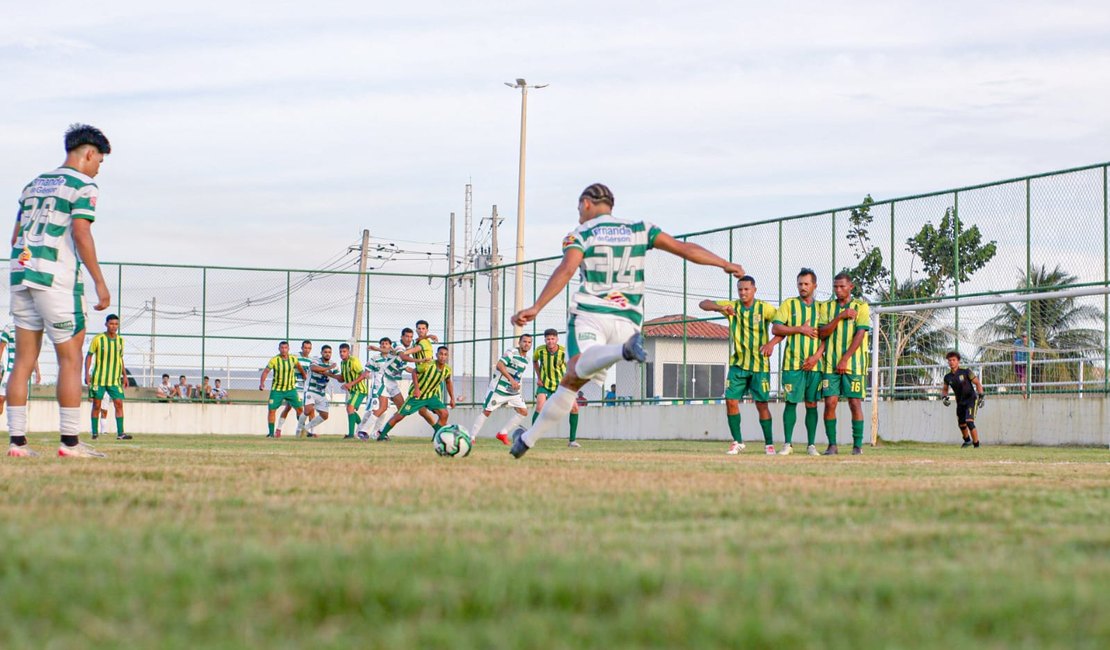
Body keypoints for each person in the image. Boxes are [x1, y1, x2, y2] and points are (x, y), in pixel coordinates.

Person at [508, 182, 743, 458]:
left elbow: (567, 268)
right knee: (571, 382)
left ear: (586, 204)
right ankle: (525, 441)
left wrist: (537, 306)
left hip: (591, 314)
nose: (578, 215)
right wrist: (724, 263)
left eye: (578, 209)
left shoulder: (581, 233)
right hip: (628, 321)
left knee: (575, 367)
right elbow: (684, 248)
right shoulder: (639, 229)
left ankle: (623, 351)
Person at [7, 124, 113, 458]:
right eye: (100, 161)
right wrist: (99, 281)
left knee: (23, 360)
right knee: (70, 357)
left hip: (21, 272)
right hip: (55, 279)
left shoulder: (33, 184)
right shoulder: (83, 184)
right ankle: (69, 442)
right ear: (89, 153)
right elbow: (81, 233)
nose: (98, 168)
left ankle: (17, 443)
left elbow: (15, 235)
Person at [699, 275, 778, 455]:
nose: (743, 292)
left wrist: (771, 344)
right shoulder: (732, 306)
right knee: (730, 400)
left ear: (754, 290)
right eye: (740, 289)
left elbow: (781, 325)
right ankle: (737, 441)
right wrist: (720, 308)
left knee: (762, 404)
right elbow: (703, 304)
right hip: (738, 365)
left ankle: (769, 444)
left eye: (746, 289)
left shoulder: (764, 308)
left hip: (760, 366)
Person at [768, 268, 825, 456]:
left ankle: (811, 445)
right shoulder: (789, 304)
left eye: (806, 284)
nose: (803, 287)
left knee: (812, 404)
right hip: (792, 364)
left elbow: (827, 336)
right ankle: (787, 444)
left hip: (815, 364)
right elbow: (776, 328)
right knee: (790, 402)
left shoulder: (822, 308)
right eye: (800, 284)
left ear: (814, 286)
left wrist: (816, 356)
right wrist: (799, 329)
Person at [817, 273, 871, 455]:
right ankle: (832, 444)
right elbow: (822, 332)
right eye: (835, 287)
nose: (838, 290)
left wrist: (845, 358)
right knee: (830, 403)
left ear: (851, 287)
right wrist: (840, 316)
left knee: (854, 403)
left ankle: (857, 446)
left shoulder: (862, 307)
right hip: (830, 365)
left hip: (853, 365)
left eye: (842, 286)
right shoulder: (826, 307)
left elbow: (861, 333)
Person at [377, 345, 455, 439]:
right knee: (399, 416)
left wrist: (452, 398)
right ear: (437, 355)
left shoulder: (447, 369)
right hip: (417, 397)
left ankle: (437, 438)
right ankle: (381, 435)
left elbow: (448, 382)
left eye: (445, 355)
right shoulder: (428, 365)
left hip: (431, 396)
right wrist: (417, 389)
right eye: (441, 354)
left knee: (444, 414)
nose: (443, 356)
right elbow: (414, 372)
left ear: (447, 357)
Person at [471, 333, 533, 445]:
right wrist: (511, 380)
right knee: (487, 411)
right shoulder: (511, 352)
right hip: (498, 388)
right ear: (519, 342)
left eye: (529, 342)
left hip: (512, 391)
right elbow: (500, 365)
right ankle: (471, 437)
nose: (526, 344)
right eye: (524, 341)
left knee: (523, 412)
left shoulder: (527, 359)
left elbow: (517, 374)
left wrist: (517, 383)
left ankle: (503, 433)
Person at [84, 313, 130, 440]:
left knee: (119, 404)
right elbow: (89, 356)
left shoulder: (120, 340)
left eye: (116, 324)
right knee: (97, 406)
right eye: (111, 323)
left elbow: (120, 359)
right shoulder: (98, 339)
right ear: (106, 324)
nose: (114, 326)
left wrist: (125, 376)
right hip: (99, 379)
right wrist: (87, 373)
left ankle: (121, 433)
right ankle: (94, 433)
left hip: (114, 380)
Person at [533, 328, 581, 447]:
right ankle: (531, 437)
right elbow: (534, 361)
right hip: (544, 385)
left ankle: (572, 441)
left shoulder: (563, 352)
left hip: (561, 385)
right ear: (545, 340)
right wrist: (539, 378)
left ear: (557, 339)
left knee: (575, 408)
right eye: (548, 339)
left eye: (552, 338)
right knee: (540, 406)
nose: (550, 341)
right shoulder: (539, 350)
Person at [259, 340, 307, 438]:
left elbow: (300, 368)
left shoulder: (293, 359)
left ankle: (302, 430)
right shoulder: (274, 360)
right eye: (282, 348)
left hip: (291, 390)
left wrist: (304, 376)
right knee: (272, 410)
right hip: (277, 390)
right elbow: (265, 372)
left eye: (285, 348)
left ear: (288, 349)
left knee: (300, 410)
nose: (284, 350)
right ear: (279, 349)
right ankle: (271, 434)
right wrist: (262, 383)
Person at [941, 351, 985, 448]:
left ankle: (976, 445)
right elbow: (945, 389)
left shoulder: (966, 372)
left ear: (958, 361)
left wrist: (981, 395)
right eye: (949, 360)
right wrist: (944, 397)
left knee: (969, 421)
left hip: (971, 400)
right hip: (960, 402)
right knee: (961, 424)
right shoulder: (947, 377)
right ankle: (967, 440)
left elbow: (977, 383)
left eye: (954, 360)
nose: (951, 362)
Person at [0, 322, 41, 416]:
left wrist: (37, 371)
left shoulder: (31, 328)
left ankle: (17, 428)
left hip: (24, 371)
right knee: (1, 398)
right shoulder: (9, 327)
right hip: (9, 370)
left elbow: (33, 352)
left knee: (21, 402)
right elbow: (1, 348)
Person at [356, 338, 392, 440]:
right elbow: (366, 373)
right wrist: (354, 382)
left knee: (383, 412)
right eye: (382, 344)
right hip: (377, 389)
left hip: (388, 389)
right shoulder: (375, 358)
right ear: (380, 345)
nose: (384, 345)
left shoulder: (392, 357)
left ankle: (375, 433)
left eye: (386, 344)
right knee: (373, 411)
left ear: (390, 346)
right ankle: (361, 432)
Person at [298, 344, 337, 437]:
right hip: (310, 390)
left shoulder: (333, 363)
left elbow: (339, 377)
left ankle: (306, 428)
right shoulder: (316, 360)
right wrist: (328, 369)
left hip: (321, 392)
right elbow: (313, 368)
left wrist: (337, 376)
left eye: (329, 352)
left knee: (325, 415)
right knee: (307, 410)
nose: (327, 354)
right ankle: (299, 429)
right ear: (321, 353)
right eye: (325, 352)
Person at [276, 340, 312, 437]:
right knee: (295, 408)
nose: (307, 350)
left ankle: (309, 430)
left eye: (309, 348)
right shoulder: (295, 356)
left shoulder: (311, 360)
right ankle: (301, 430)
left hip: (305, 388)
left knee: (308, 409)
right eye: (305, 348)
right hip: (294, 387)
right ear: (301, 348)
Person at [338, 342, 369, 439]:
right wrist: (328, 373)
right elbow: (342, 378)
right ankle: (363, 429)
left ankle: (351, 435)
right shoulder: (342, 363)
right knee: (350, 409)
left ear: (349, 352)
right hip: (353, 391)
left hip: (359, 389)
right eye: (340, 352)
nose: (342, 353)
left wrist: (350, 384)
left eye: (344, 351)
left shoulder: (354, 361)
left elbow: (364, 375)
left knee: (350, 408)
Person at [1013, 333, 1033, 398]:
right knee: (1021, 379)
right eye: (1023, 336)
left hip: (1026, 362)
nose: (1024, 338)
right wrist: (1013, 360)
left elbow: (1031, 355)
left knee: (1027, 378)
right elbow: (1013, 351)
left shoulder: (1031, 343)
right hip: (1018, 362)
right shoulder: (1017, 342)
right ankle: (1024, 395)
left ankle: (1027, 393)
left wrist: (1026, 346)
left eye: (1025, 336)